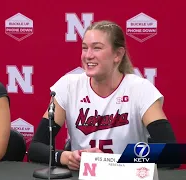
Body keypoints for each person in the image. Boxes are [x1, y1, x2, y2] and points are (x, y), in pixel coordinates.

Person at [28, 20, 177, 170]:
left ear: (118, 54)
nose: (88, 55)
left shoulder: (140, 89)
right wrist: (65, 157)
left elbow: (172, 155)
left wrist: (109, 162)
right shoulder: (68, 86)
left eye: (97, 48)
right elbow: (35, 148)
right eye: (84, 48)